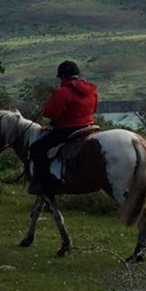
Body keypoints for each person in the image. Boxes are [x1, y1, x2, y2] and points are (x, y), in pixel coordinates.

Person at [28, 61, 98, 195]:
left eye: (60, 77)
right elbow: (94, 108)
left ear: (64, 76)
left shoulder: (64, 92)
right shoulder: (91, 90)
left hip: (68, 129)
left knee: (35, 148)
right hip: (89, 126)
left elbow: (49, 113)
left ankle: (45, 184)